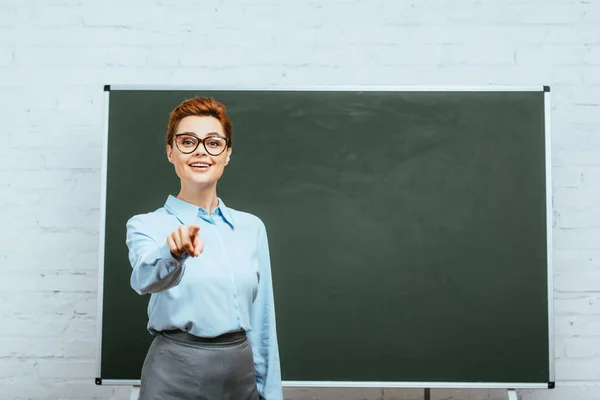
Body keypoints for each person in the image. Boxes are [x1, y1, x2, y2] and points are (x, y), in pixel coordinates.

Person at [124, 97, 283, 400]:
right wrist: (173, 254)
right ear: (170, 152)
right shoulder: (146, 225)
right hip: (174, 370)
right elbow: (144, 279)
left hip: (240, 373)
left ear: (227, 153)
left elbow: (263, 323)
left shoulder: (252, 228)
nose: (200, 150)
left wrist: (271, 394)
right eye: (187, 141)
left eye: (213, 142)